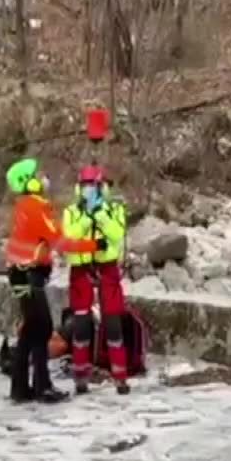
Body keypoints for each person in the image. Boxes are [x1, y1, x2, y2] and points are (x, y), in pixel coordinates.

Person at [3, 157, 104, 404]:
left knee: (30, 330)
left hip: (18, 273)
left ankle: (21, 388)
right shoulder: (36, 207)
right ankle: (42, 387)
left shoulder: (22, 206)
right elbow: (59, 242)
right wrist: (93, 245)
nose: (42, 177)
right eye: (37, 175)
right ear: (28, 182)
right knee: (42, 328)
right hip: (29, 274)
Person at [61, 164, 131, 395]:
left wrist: (99, 214)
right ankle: (81, 377)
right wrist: (86, 219)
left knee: (113, 324)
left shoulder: (114, 210)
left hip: (107, 271)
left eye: (93, 186)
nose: (89, 190)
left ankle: (120, 377)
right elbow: (70, 236)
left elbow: (117, 234)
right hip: (81, 272)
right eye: (85, 186)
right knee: (81, 326)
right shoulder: (71, 212)